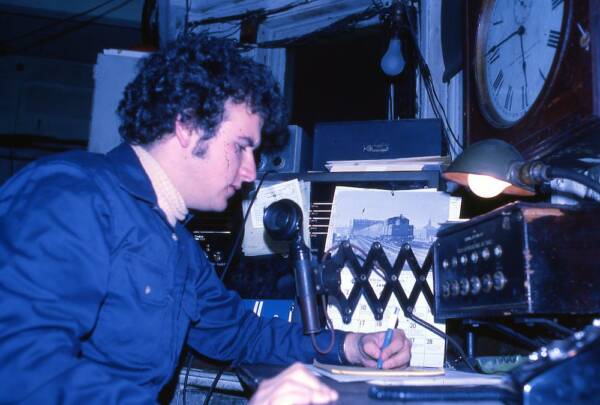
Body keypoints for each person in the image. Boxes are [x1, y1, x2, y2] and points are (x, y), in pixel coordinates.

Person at [0, 33, 411, 404]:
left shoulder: (176, 242)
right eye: (241, 147)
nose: (251, 171)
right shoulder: (71, 194)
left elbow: (240, 334)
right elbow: (21, 374)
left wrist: (351, 346)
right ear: (188, 127)